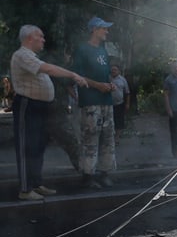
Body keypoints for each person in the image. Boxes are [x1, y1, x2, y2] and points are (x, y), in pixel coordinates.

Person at [10, 24, 88, 200]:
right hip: (27, 105)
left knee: (38, 147)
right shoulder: (22, 55)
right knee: (26, 148)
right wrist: (73, 75)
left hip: (40, 107)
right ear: (30, 38)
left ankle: (36, 184)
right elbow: (49, 69)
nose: (43, 39)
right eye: (41, 36)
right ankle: (25, 189)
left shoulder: (33, 57)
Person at [71, 16, 118, 189]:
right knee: (90, 137)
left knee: (108, 137)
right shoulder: (82, 50)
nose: (107, 31)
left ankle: (104, 173)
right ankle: (88, 176)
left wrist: (109, 85)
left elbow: (104, 75)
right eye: (104, 28)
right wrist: (98, 86)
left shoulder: (103, 50)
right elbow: (77, 76)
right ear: (94, 30)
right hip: (90, 102)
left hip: (106, 101)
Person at [110, 64, 130, 144]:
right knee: (110, 121)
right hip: (109, 104)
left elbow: (127, 92)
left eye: (115, 69)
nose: (113, 71)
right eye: (112, 69)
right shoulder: (107, 78)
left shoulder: (122, 80)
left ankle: (117, 139)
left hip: (119, 104)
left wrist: (127, 104)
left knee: (119, 122)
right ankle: (110, 138)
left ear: (119, 71)